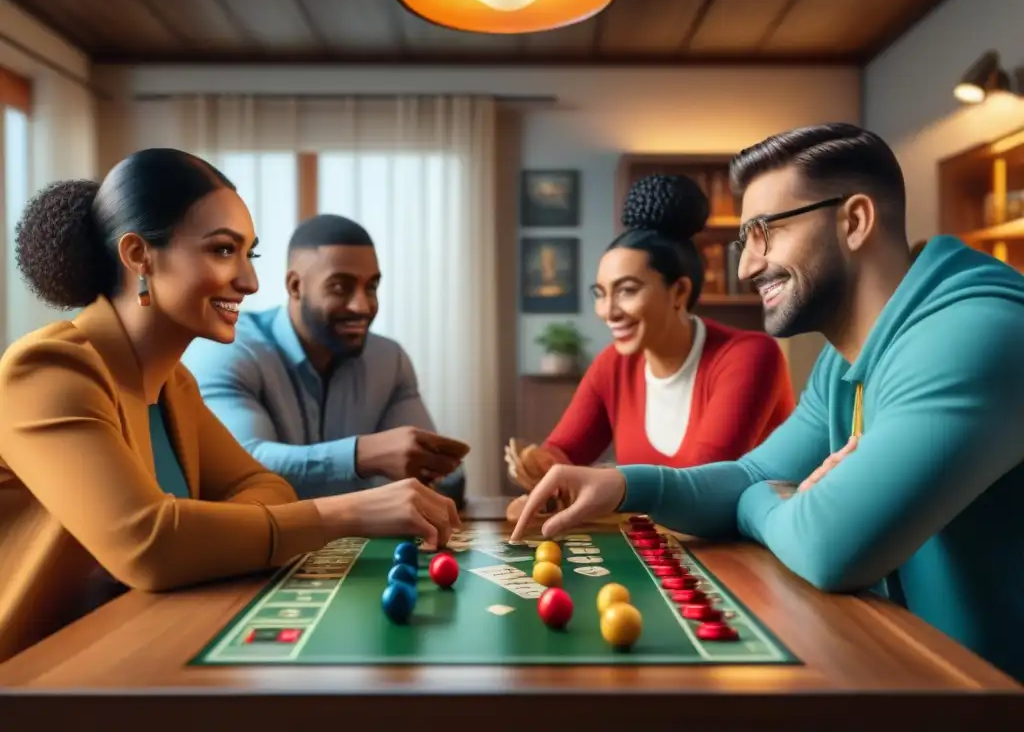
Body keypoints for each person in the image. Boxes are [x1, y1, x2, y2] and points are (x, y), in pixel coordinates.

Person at [510, 123, 1024, 682]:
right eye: (743, 242)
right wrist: (627, 486)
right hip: (914, 672)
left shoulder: (975, 335)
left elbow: (829, 546)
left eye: (765, 232)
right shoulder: (844, 358)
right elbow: (757, 471)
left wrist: (764, 498)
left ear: (853, 221)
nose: (747, 266)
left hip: (990, 695)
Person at [0, 149, 458, 664]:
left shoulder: (174, 384)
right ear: (138, 256)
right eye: (222, 251)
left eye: (249, 254)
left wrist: (195, 533)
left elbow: (266, 488)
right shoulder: (48, 369)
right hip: (35, 676)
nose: (249, 281)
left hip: (136, 647)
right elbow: (149, 546)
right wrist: (347, 511)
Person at [504, 174, 795, 521]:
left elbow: (698, 486)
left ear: (679, 292)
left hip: (750, 549)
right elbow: (565, 451)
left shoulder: (750, 356)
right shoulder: (613, 365)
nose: (608, 311)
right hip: (663, 548)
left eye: (626, 290)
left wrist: (607, 481)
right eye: (600, 293)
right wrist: (542, 466)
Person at [182, 213, 469, 507]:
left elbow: (436, 478)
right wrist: (362, 456)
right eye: (340, 287)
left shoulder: (390, 360)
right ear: (295, 286)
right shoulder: (229, 350)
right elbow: (239, 466)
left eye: (371, 287)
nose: (362, 305)